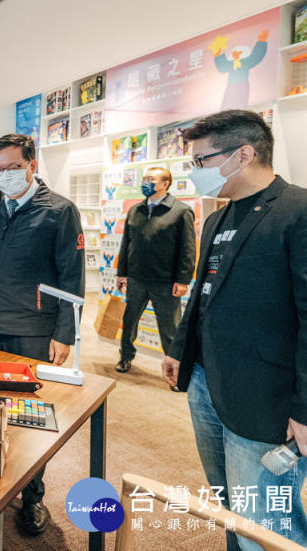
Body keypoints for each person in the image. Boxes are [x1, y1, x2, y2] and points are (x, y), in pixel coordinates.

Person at [162, 110, 307, 551]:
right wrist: (180, 350)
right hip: (209, 383)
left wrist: (304, 408)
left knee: (267, 522)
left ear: (243, 153)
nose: (195, 172)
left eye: (202, 160)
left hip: (267, 397)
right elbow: (203, 295)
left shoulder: (297, 211)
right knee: (231, 507)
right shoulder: (218, 218)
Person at [0, 133, 83, 536]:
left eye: (14, 167)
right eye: (0, 168)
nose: (6, 175)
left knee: (28, 418)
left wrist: (65, 333)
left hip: (31, 330)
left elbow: (71, 276)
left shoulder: (60, 211)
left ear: (32, 165)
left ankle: (32, 497)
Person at [115, 166, 196, 374]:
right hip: (136, 278)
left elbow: (188, 248)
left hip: (166, 281)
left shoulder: (181, 211)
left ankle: (176, 367)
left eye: (152, 179)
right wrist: (122, 273)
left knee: (170, 328)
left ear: (165, 183)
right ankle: (125, 357)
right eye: (145, 178)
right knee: (129, 321)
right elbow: (126, 244)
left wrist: (183, 280)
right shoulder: (136, 210)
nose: (146, 182)